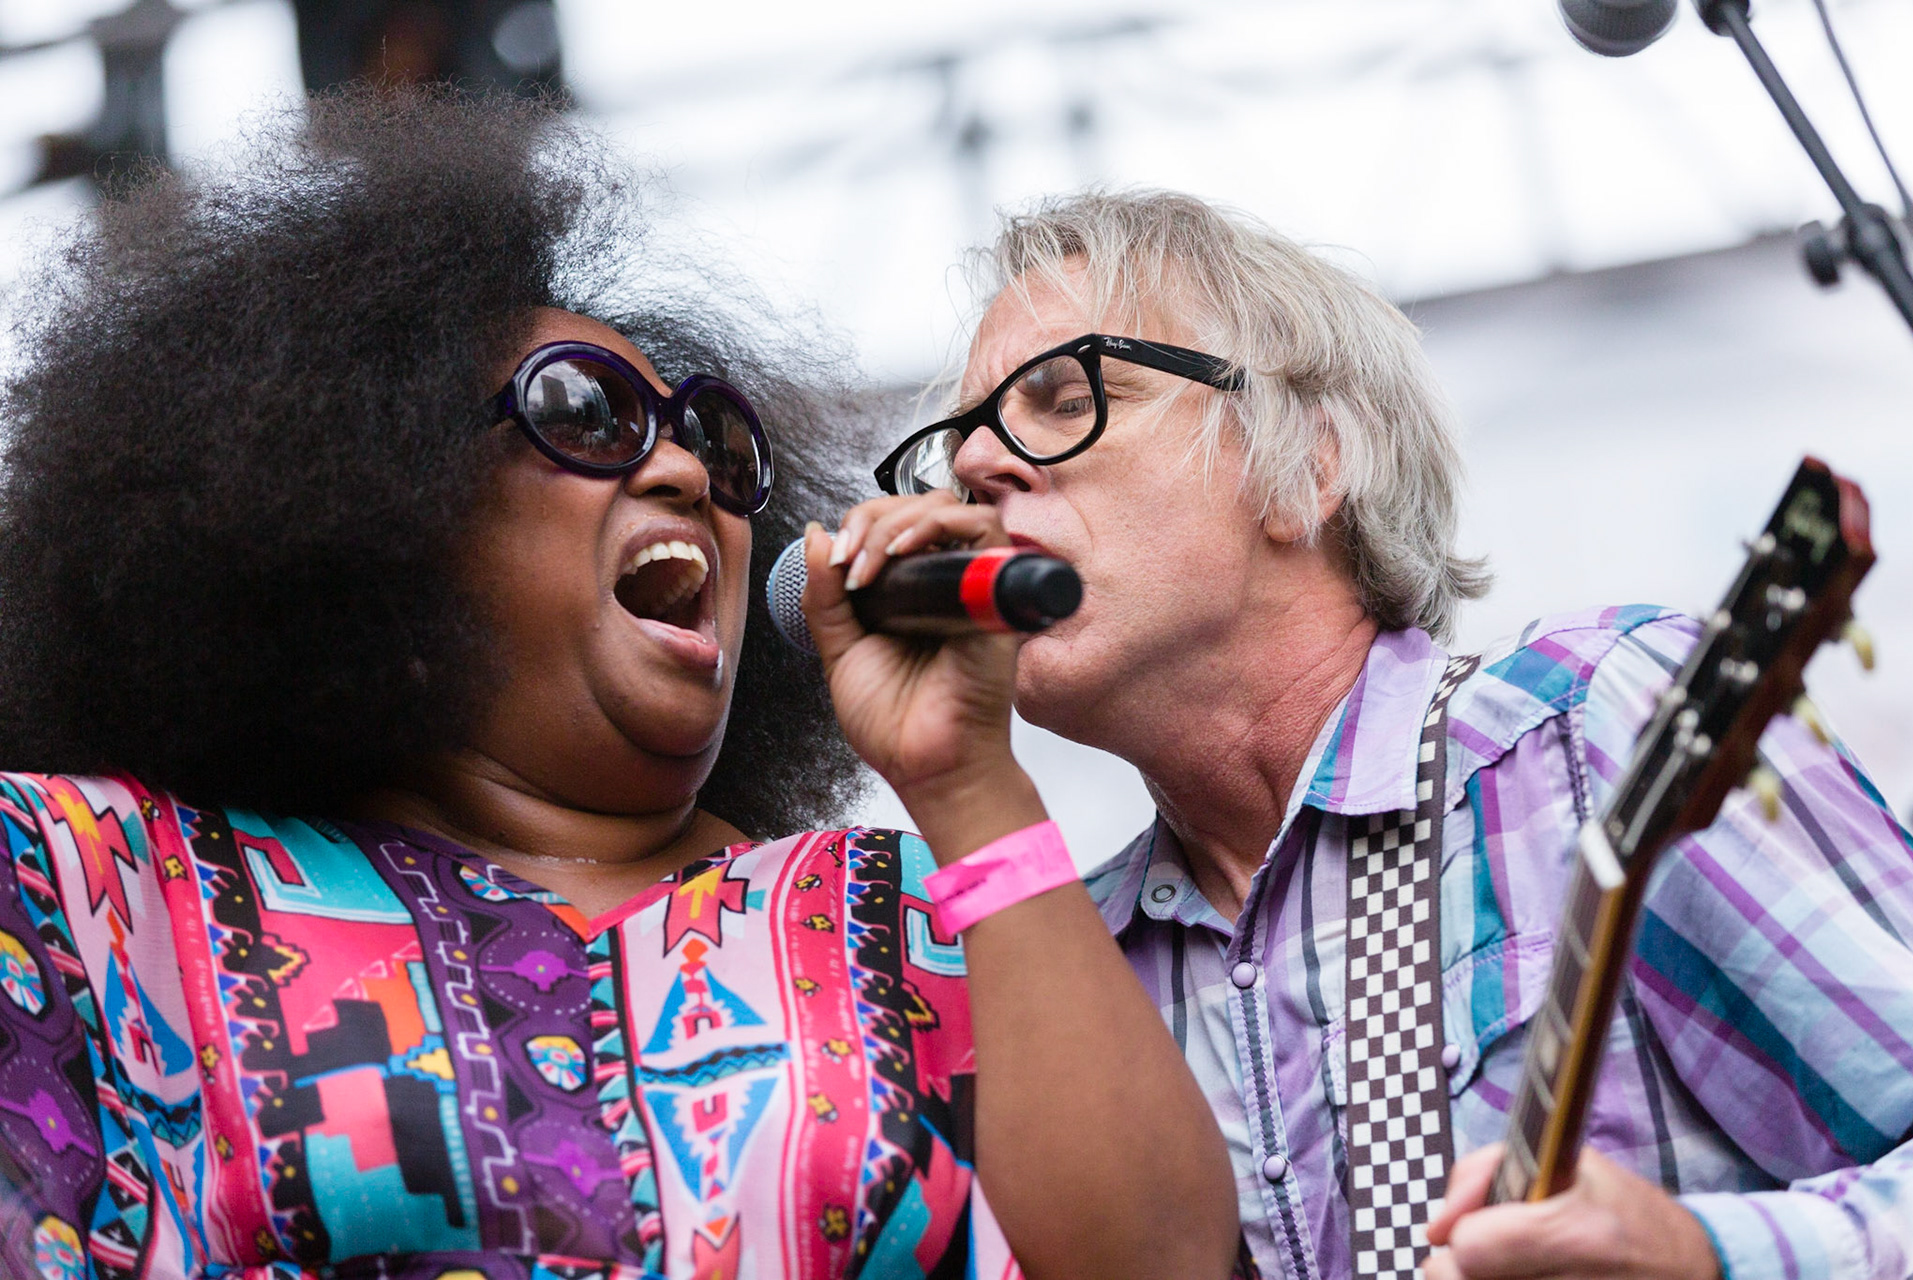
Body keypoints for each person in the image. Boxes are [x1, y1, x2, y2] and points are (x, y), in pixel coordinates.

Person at [0, 95, 1242, 1279]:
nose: (683, 473)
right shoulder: (103, 889)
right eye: (587, 413)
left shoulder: (913, 910)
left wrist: (969, 785)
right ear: (372, 494)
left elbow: (1163, 1261)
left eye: (718, 443)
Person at [849, 188, 1913, 1280]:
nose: (976, 471)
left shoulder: (1588, 727)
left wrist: (1703, 1253)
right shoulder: (1072, 971)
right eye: (957, 444)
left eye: (1064, 394)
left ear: (1308, 466)